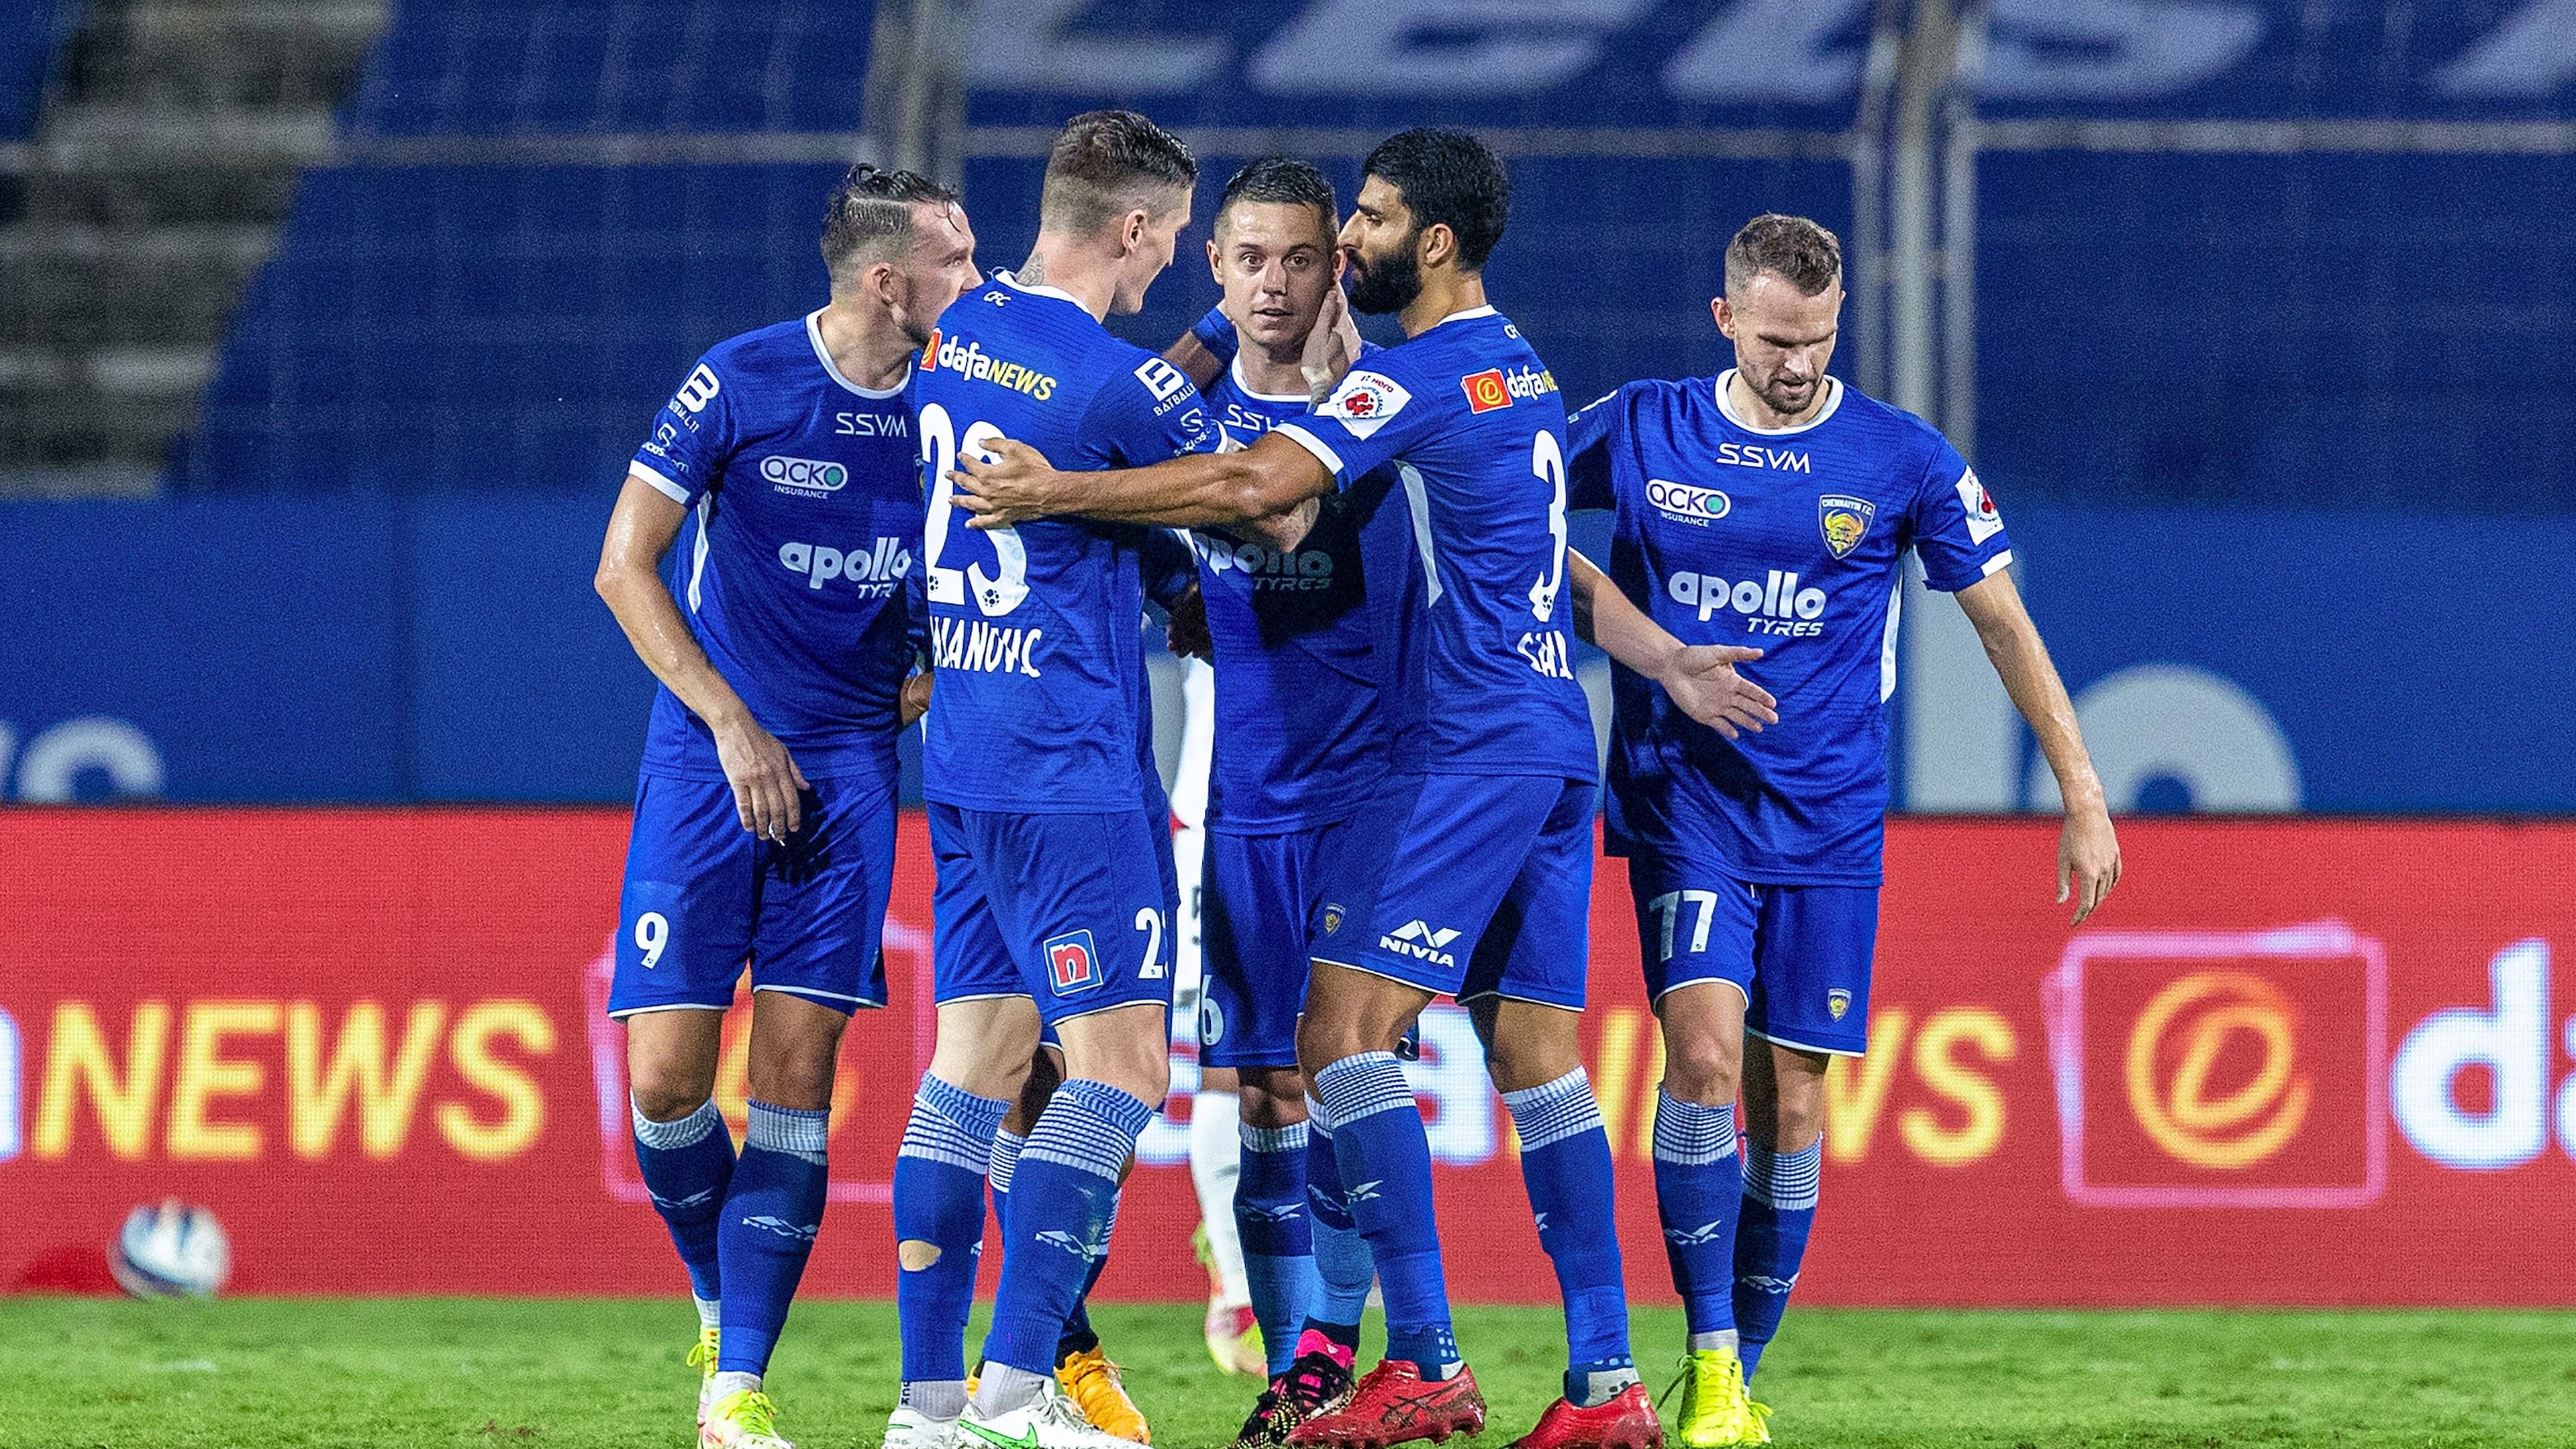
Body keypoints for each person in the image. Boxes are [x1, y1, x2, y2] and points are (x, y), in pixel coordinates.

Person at [951, 128, 1773, 1449]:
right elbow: (1534, 549)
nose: (1338, 254)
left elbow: (1264, 496)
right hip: (1545, 741)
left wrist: (1055, 492)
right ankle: (1605, 1387)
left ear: (1429, 244)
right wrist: (1664, 658)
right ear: (1215, 264)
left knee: (1336, 1045)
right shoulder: (1514, 367)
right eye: (1265, 255)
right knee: (1531, 1059)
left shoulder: (1405, 382)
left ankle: (1424, 1361)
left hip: (1452, 754)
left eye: (1364, 225)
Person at [1563, 213, 2123, 1446]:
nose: (1798, 363)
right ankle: (1708, 1364)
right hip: (1683, 801)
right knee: (1701, 1061)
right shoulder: (1644, 421)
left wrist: (2081, 794)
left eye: (1817, 339)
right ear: (1725, 321)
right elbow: (1513, 515)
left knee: (1796, 1113)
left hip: (1825, 822)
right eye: (1773, 340)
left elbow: (2003, 626)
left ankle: (1737, 1378)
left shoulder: (1900, 456)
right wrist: (1656, 656)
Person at [592, 164, 977, 1449]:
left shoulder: (952, 402)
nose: (973, 287)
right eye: (955, 265)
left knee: (798, 1071)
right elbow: (623, 567)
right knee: (663, 1084)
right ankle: (717, 1296)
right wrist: (731, 722)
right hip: (710, 757)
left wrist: (925, 659)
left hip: (854, 771)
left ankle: (735, 1390)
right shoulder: (742, 379)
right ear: (887, 283)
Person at [886, 109, 1217, 1449]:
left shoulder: (957, 338)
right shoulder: (1108, 383)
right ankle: (1026, 1386)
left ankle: (927, 1409)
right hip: (1067, 765)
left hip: (963, 751)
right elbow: (1248, 490)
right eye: (1175, 238)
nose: (1171, 264)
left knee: (969, 1068)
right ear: (1132, 226)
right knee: (1124, 1070)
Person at [1158, 154, 1413, 1448]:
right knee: (1260, 1094)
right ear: (1215, 264)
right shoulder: (1171, 429)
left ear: (1337, 269)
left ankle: (1351, 1349)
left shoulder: (1385, 405)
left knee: (1346, 1077)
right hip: (1236, 799)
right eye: (1249, 259)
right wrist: (1167, 595)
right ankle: (1294, 1371)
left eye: (1300, 259)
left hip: (1375, 798)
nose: (1274, 283)